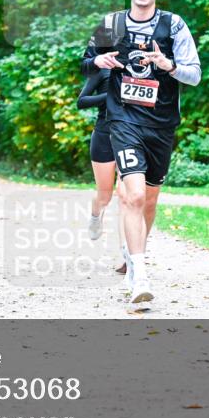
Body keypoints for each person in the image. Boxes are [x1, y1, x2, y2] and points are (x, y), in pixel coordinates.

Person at [81, 0, 202, 304]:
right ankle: (139, 273)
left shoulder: (173, 25)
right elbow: (86, 63)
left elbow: (194, 75)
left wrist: (168, 66)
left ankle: (135, 256)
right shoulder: (111, 24)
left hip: (161, 124)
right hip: (122, 120)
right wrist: (99, 62)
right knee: (130, 195)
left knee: (148, 200)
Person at [77, 68, 128, 274]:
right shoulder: (102, 69)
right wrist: (111, 95)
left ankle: (127, 256)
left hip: (130, 134)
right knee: (105, 196)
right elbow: (82, 101)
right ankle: (96, 214)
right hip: (104, 135)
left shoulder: (140, 68)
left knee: (125, 196)